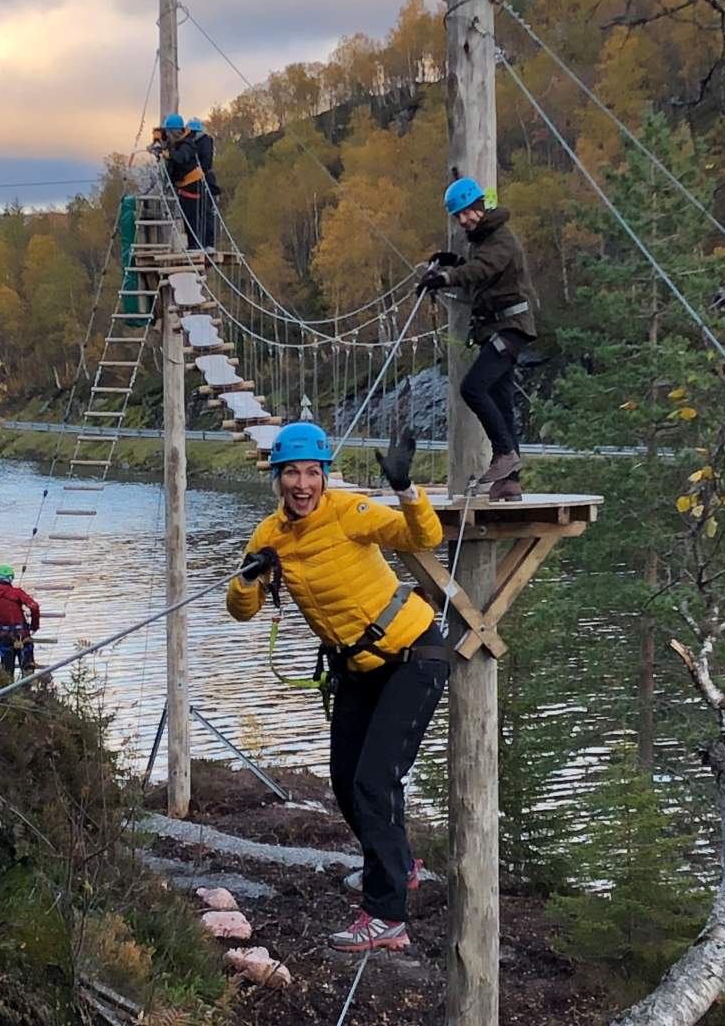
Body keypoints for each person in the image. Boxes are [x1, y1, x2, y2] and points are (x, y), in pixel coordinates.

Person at [226, 422, 447, 953]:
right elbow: (241, 612)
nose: (302, 485)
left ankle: (386, 915)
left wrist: (405, 490)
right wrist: (249, 577)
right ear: (277, 478)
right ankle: (401, 865)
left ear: (324, 476)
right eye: (291, 474)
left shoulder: (350, 511)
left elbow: (424, 538)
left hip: (413, 654)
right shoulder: (268, 536)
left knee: (375, 781)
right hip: (356, 669)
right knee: (346, 782)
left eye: (311, 473)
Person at [416, 177, 538, 501]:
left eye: (468, 212)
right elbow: (475, 273)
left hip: (511, 329)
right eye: (459, 216)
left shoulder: (500, 239)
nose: (464, 220)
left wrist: (444, 278)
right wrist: (452, 262)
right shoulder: (481, 241)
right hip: (497, 330)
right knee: (501, 401)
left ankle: (504, 455)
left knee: (473, 387)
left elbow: (481, 270)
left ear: (480, 206)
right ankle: (510, 482)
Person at [148, 113, 213, 252]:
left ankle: (196, 245)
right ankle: (194, 245)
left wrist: (167, 154)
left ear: (173, 132)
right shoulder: (177, 144)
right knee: (187, 217)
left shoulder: (187, 145)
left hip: (193, 186)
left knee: (192, 217)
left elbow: (180, 158)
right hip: (184, 187)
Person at [0, 564, 40, 677]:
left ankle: (7, 693)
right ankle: (27, 692)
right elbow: (34, 607)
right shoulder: (16, 592)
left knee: (6, 672)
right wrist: (34, 625)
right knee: (27, 669)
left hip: (5, 636)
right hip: (22, 635)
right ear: (10, 578)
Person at [188, 117, 219, 203]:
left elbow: (205, 160)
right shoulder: (208, 140)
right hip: (207, 178)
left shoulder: (198, 143)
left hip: (200, 179)